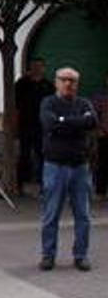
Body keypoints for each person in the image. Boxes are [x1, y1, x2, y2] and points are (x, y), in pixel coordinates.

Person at [39, 67, 99, 272]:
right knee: (51, 214)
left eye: (72, 81)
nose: (68, 84)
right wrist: (77, 123)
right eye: (64, 80)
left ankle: (81, 255)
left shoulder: (84, 103)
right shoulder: (48, 103)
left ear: (77, 84)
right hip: (55, 166)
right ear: (56, 82)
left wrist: (63, 121)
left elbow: (92, 122)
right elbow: (49, 124)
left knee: (83, 215)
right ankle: (48, 255)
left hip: (80, 167)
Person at [15, 58, 54, 192]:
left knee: (42, 155)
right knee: (24, 155)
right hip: (25, 124)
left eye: (39, 66)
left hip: (42, 126)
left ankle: (44, 184)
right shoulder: (22, 84)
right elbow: (15, 105)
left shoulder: (48, 86)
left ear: (43, 68)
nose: (37, 69)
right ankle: (20, 184)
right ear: (30, 68)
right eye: (34, 66)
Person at [91, 71, 108, 202]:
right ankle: (100, 191)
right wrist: (98, 130)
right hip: (104, 134)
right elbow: (94, 115)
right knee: (102, 163)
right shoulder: (100, 96)